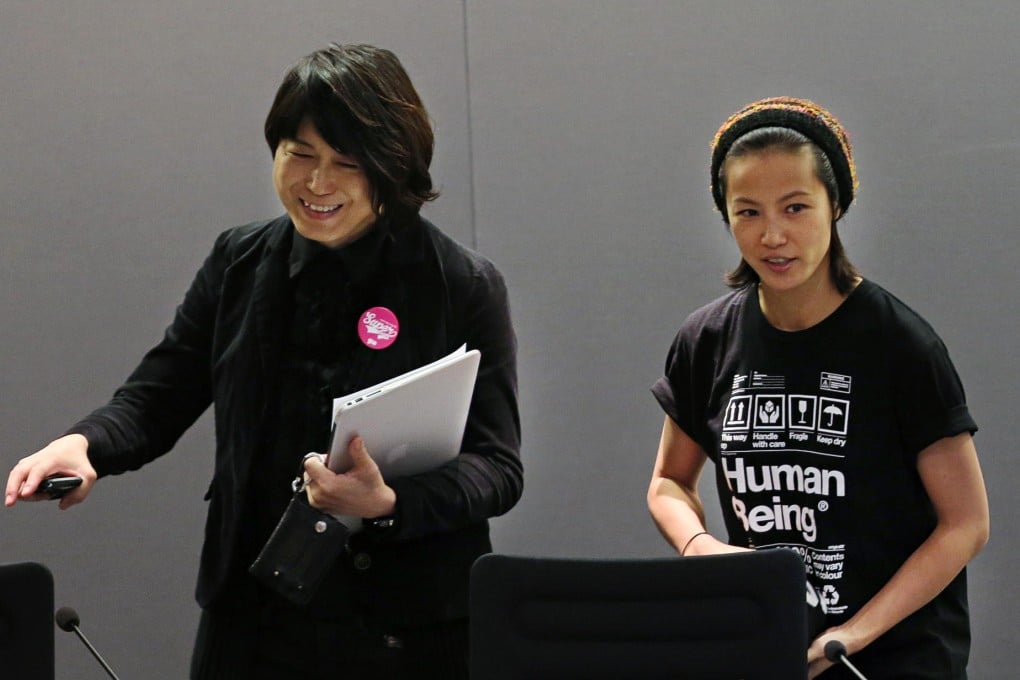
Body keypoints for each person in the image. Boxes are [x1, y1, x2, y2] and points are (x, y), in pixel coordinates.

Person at [5, 43, 522, 679]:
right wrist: (86, 445)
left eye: (345, 163)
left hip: (408, 629)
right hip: (254, 618)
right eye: (299, 154)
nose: (317, 184)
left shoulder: (460, 284)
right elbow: (158, 395)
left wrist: (388, 500)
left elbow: (497, 468)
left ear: (393, 167)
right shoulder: (240, 262)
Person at [647, 97, 988, 679]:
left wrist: (853, 634)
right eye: (747, 212)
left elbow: (965, 524)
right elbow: (669, 482)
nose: (773, 235)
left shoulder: (900, 345)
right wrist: (700, 548)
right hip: (773, 645)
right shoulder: (706, 339)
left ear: (835, 207)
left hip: (896, 655)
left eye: (796, 207)